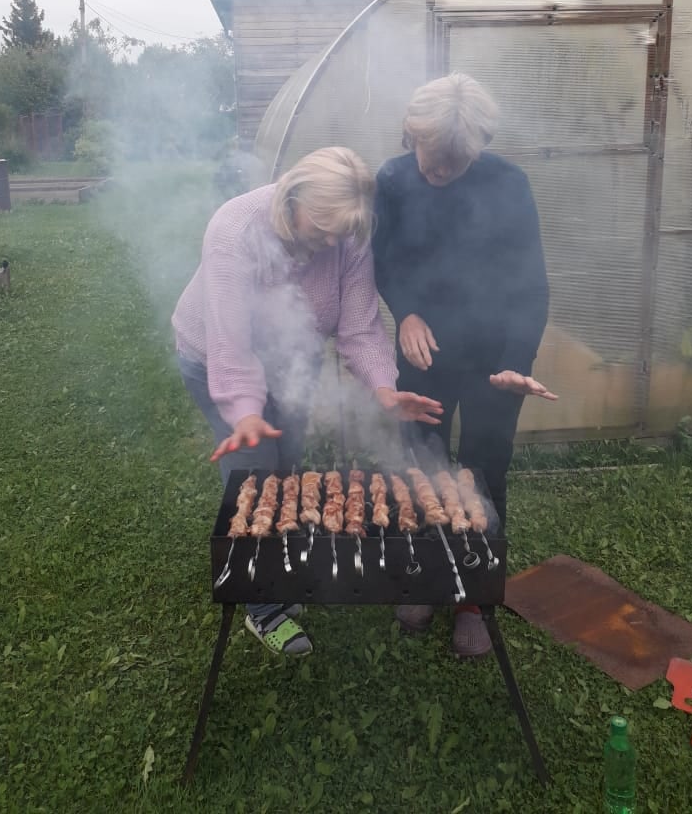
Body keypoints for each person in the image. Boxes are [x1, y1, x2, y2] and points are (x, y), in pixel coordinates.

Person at [173, 146, 443, 658]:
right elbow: (230, 344)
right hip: (215, 355)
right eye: (321, 229)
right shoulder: (236, 229)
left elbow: (359, 326)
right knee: (254, 475)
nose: (330, 243)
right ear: (291, 198)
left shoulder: (347, 235)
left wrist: (384, 388)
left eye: (341, 233)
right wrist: (247, 412)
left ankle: (278, 571)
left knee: (289, 468)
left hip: (292, 358)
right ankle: (262, 608)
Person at [372, 73, 557, 658]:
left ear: (476, 150)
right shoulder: (394, 179)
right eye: (433, 157)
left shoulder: (509, 184)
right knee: (420, 458)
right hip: (424, 351)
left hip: (492, 357)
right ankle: (428, 574)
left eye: (456, 161)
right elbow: (385, 259)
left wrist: (514, 362)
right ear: (411, 133)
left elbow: (531, 285)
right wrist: (405, 313)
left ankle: (472, 596)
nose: (441, 171)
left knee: (482, 470)